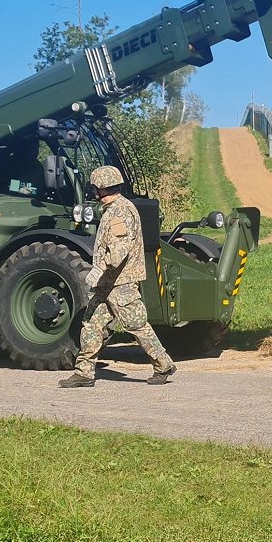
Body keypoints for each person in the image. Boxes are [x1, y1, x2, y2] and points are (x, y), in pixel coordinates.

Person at [58, 166, 176, 388]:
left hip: (120, 284)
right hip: (108, 284)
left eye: (94, 188)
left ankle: (163, 364)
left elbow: (118, 252)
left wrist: (99, 269)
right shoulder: (114, 209)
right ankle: (84, 372)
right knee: (92, 323)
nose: (93, 191)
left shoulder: (119, 212)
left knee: (136, 325)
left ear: (100, 189)